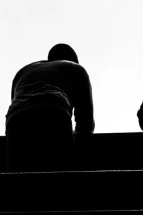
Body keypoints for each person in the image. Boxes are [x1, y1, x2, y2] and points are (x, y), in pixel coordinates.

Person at [5, 43, 94, 171]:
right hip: (54, 114)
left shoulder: (23, 71)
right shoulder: (76, 68)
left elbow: (16, 103)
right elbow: (85, 124)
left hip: (17, 121)